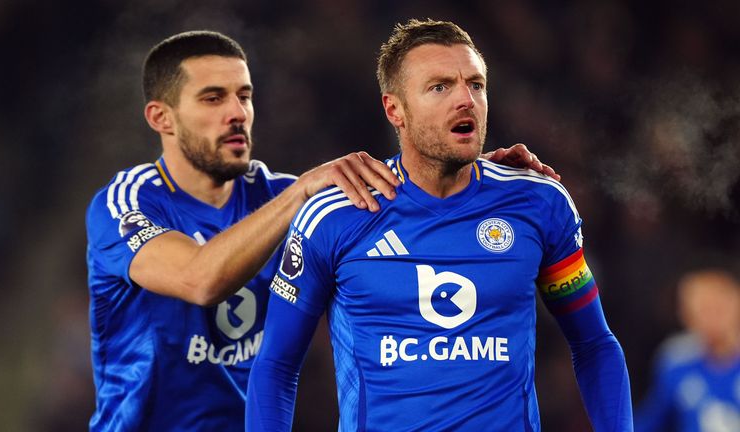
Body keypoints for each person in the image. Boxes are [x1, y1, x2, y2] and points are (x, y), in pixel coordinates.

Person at [85, 30, 555, 430]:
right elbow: (199, 279)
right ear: (160, 118)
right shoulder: (127, 203)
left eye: (244, 96)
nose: (237, 113)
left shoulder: (293, 201)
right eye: (213, 98)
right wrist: (303, 190)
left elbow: (408, 203)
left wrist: (471, 180)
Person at [246, 19, 633, 431]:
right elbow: (276, 366)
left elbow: (594, 344)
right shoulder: (336, 216)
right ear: (394, 109)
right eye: (440, 87)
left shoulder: (538, 204)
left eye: (477, 85)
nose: (466, 99)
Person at [635, 269, 740, 432]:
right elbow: (649, 421)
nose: (711, 318)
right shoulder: (676, 360)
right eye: (702, 309)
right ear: (685, 315)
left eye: (717, 307)